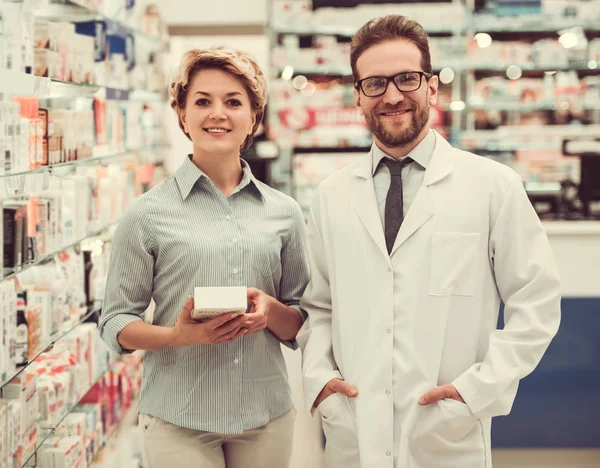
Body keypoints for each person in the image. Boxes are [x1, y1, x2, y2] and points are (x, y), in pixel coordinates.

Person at [297, 15, 561, 468]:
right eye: (375, 83)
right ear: (358, 97)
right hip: (353, 432)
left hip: (448, 433)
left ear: (432, 87)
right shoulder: (331, 196)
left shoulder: (492, 185)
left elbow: (535, 302)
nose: (393, 95)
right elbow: (318, 307)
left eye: (407, 79)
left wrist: (475, 391)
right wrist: (321, 383)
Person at [99, 47, 310, 468]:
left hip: (265, 413)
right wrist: (179, 336)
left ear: (254, 117)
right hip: (179, 417)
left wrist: (270, 312)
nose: (218, 113)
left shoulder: (284, 211)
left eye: (234, 102)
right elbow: (115, 323)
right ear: (181, 114)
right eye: (202, 101)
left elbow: (301, 320)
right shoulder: (146, 213)